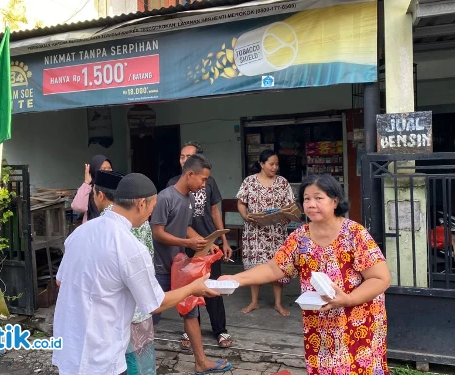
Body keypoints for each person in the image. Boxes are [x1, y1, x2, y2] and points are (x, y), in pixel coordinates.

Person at [220, 174, 391, 375]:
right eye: (307, 199)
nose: (311, 204)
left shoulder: (354, 233)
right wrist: (236, 279)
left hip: (358, 320)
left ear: (335, 201)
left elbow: (381, 278)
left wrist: (348, 299)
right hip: (319, 323)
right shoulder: (300, 237)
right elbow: (273, 268)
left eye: (319, 198)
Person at [53, 173, 220, 375]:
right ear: (141, 204)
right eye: (152, 207)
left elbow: (60, 282)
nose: (151, 214)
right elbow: (156, 303)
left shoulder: (80, 232)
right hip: (102, 356)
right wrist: (194, 287)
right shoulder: (129, 245)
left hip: (70, 348)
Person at [152, 154, 232, 374]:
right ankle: (133, 361)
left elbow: (185, 228)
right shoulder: (165, 197)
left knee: (191, 313)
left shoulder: (188, 199)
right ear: (190, 174)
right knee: (149, 316)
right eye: (203, 179)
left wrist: (207, 243)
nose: (204, 184)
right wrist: (187, 242)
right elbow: (157, 232)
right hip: (160, 268)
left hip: (180, 268)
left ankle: (201, 362)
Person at [167, 141, 233, 349]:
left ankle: (220, 329)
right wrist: (191, 240)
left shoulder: (208, 181)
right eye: (181, 157)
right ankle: (190, 330)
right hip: (185, 244)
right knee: (188, 289)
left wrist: (222, 240)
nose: (184, 161)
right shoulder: (172, 185)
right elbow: (175, 221)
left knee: (213, 286)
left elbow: (214, 211)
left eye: (189, 157)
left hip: (210, 243)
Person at [93, 170, 157, 374]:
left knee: (123, 362)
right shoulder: (141, 219)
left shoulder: (102, 222)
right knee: (143, 362)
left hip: (116, 309)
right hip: (143, 303)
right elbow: (150, 254)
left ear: (100, 195)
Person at [236, 149, 295, 316]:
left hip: (276, 232)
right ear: (261, 164)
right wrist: (245, 216)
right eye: (271, 164)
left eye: (277, 164)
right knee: (256, 267)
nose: (275, 167)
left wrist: (287, 217)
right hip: (255, 232)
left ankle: (278, 303)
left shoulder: (283, 182)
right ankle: (254, 302)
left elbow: (290, 207)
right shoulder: (249, 182)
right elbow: (241, 203)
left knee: (277, 266)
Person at [70, 154, 112, 222]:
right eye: (103, 169)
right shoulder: (88, 188)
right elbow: (78, 207)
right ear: (94, 170)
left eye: (109, 168)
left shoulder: (116, 186)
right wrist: (86, 182)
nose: (108, 171)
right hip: (92, 229)